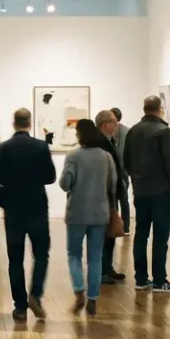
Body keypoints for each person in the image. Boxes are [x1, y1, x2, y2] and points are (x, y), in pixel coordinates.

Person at [0, 108, 57, 321]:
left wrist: (3, 201)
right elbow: (50, 177)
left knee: (15, 259)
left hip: (14, 211)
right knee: (42, 254)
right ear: (29, 122)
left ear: (14, 123)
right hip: (37, 207)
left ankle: (20, 307)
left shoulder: (2, 149)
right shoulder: (40, 147)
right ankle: (35, 294)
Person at [122, 96, 170, 293]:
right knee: (160, 236)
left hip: (141, 190)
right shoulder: (163, 131)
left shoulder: (133, 131)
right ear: (159, 109)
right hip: (162, 191)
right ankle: (159, 280)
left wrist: (135, 179)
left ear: (144, 108)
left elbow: (126, 160)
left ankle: (140, 278)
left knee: (141, 234)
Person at [59, 119, 117, 317]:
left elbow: (65, 184)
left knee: (74, 254)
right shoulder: (106, 157)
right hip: (100, 213)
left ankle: (79, 292)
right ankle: (93, 298)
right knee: (95, 257)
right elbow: (113, 185)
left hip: (77, 213)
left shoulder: (73, 156)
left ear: (80, 134)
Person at [95, 109, 129, 284]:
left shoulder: (107, 142)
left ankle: (107, 268)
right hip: (104, 196)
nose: (116, 125)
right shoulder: (101, 144)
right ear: (104, 124)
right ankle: (102, 270)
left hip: (110, 195)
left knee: (109, 234)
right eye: (114, 122)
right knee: (103, 234)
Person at [110, 107, 131, 235]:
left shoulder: (127, 132)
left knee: (123, 199)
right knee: (114, 201)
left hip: (123, 171)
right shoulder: (108, 132)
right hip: (113, 171)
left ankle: (125, 227)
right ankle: (116, 226)